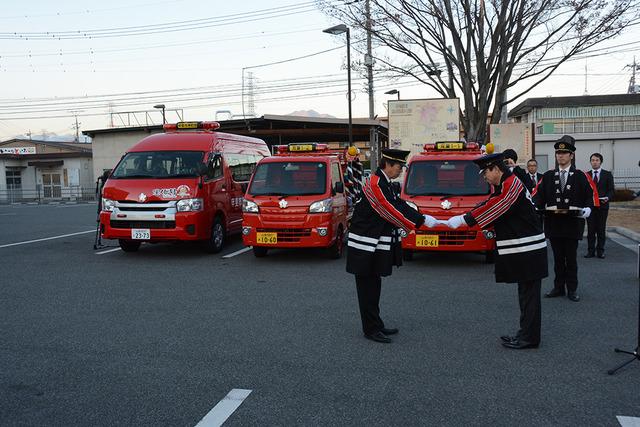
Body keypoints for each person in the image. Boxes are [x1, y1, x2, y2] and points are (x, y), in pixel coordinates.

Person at [443, 152, 548, 350]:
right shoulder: (505, 185)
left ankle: (529, 338)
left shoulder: (511, 186)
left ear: (497, 169)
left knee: (530, 297)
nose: (484, 177)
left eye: (485, 173)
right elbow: (488, 202)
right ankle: (525, 332)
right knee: (525, 295)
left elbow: (494, 207)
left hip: (529, 249)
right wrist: (465, 215)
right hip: (524, 248)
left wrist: (463, 220)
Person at [346, 148, 437, 344]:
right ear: (387, 164)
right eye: (399, 166)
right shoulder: (374, 183)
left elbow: (400, 204)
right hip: (364, 245)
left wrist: (423, 218)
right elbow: (389, 210)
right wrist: (419, 223)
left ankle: (376, 324)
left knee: (374, 284)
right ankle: (370, 329)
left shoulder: (385, 183)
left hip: (374, 244)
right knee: (367, 288)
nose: (401, 170)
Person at [532, 135, 597, 302]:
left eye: (564, 153)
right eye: (558, 153)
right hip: (554, 224)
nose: (560, 156)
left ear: (571, 155)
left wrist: (589, 208)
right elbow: (538, 196)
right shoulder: (547, 176)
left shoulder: (580, 176)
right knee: (558, 259)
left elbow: (590, 194)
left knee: (571, 258)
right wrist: (534, 205)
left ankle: (572, 289)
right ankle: (558, 287)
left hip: (573, 223)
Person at [585, 153, 615, 259]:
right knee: (591, 230)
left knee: (601, 229)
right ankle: (590, 251)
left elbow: (611, 190)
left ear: (600, 162)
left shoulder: (607, 174)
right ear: (590, 162)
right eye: (592, 160)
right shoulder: (586, 175)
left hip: (602, 206)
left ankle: (600, 251)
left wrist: (607, 197)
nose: (594, 162)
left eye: (597, 160)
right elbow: (584, 191)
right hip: (590, 207)